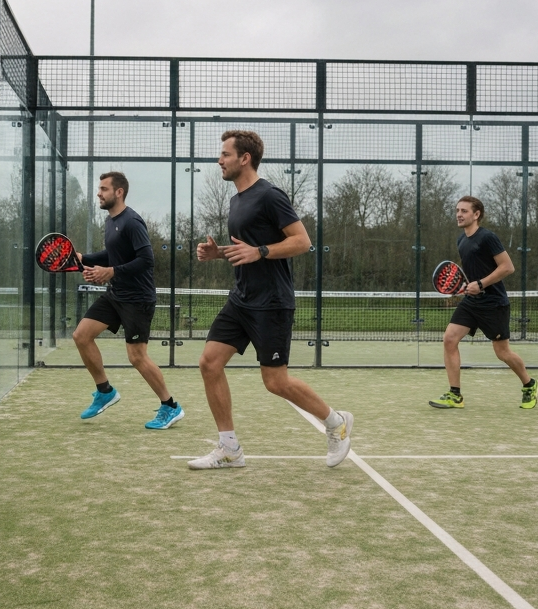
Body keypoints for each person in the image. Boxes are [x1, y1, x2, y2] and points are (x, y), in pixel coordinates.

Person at [189, 131, 354, 469]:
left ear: (244, 158)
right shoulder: (236, 200)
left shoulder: (269, 195)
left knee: (275, 382)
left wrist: (261, 251)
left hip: (272, 302)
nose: (219, 160)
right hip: (241, 299)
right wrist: (219, 253)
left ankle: (336, 423)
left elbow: (302, 242)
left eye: (225, 154)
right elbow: (246, 251)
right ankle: (229, 448)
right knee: (209, 362)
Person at [71, 171, 184, 429]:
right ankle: (105, 391)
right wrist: (85, 258)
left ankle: (170, 407)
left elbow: (146, 260)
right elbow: (111, 254)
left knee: (137, 357)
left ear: (118, 192)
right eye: (99, 189)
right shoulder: (110, 222)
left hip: (137, 300)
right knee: (81, 335)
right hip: (115, 295)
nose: (98, 193)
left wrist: (110, 271)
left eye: (103, 189)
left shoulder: (132, 221)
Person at [429, 195, 538, 410]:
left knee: (502, 353)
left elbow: (507, 267)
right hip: (472, 302)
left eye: (464, 211)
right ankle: (455, 395)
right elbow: (474, 272)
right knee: (450, 339)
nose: (459, 214)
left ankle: (529, 384)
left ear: (476, 214)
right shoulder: (461, 240)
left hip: (493, 303)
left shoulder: (488, 237)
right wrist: (466, 287)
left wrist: (481, 284)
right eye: (457, 210)